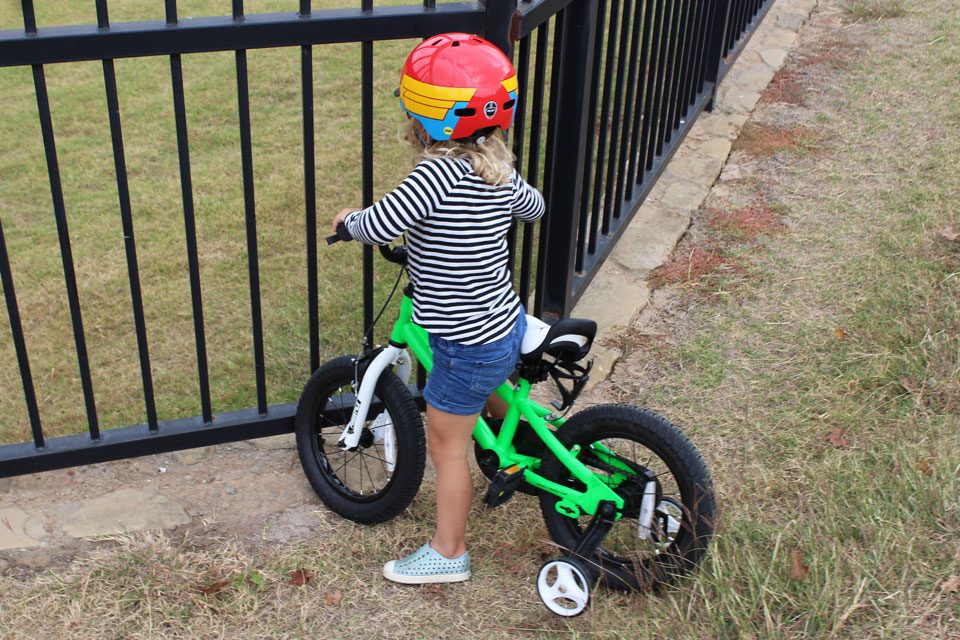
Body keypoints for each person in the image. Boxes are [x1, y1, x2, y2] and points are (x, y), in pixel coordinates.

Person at [331, 33, 544, 585]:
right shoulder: (497, 169)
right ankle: (520, 445)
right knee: (483, 386)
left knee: (448, 447)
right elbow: (534, 206)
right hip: (503, 321)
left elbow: (382, 223)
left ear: (425, 113)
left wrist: (348, 223)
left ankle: (448, 553)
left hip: (465, 340)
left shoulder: (433, 175)